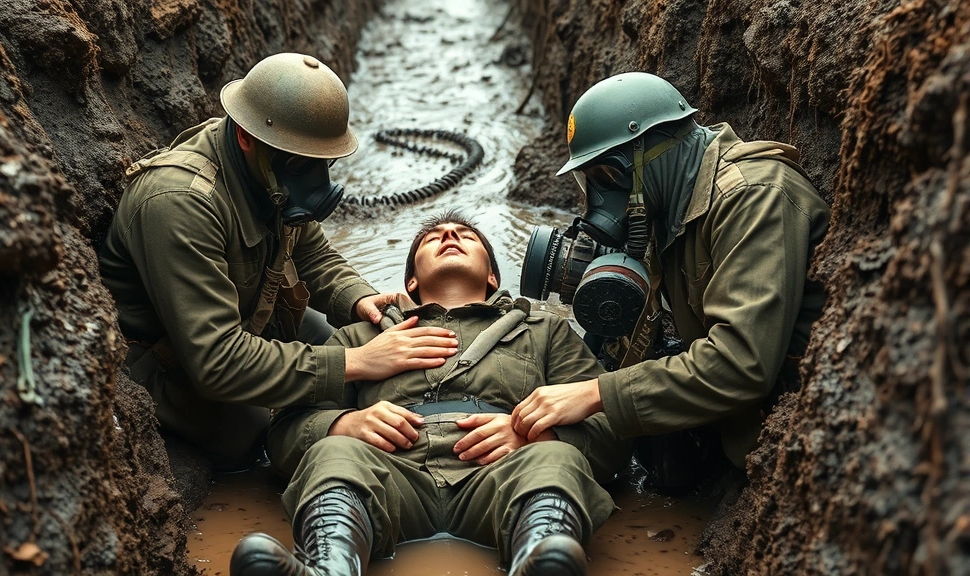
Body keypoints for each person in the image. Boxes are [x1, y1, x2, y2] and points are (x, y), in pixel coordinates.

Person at [98, 53, 458, 470]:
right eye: (300, 163)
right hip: (166, 360)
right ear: (247, 138)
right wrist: (355, 364)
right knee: (252, 437)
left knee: (354, 337)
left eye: (324, 160)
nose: (315, 177)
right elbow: (217, 361)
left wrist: (359, 299)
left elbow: (312, 253)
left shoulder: (264, 169)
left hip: (249, 314)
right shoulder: (180, 203)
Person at [230, 210, 630, 576]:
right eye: (431, 237)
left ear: (492, 276)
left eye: (466, 235)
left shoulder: (545, 331)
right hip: (389, 476)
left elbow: (606, 424)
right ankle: (329, 567)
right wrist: (344, 424)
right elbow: (282, 432)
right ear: (411, 282)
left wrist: (541, 434)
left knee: (554, 457)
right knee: (335, 452)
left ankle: (539, 561)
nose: (450, 234)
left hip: (502, 474)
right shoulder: (360, 338)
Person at [512, 72, 830, 471]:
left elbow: (741, 364)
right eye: (588, 181)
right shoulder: (673, 207)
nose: (601, 198)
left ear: (653, 148)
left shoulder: (753, 197)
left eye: (608, 177)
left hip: (794, 442)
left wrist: (597, 394)